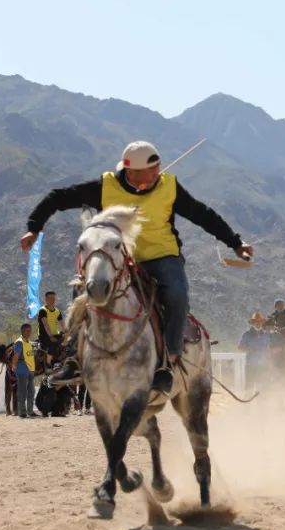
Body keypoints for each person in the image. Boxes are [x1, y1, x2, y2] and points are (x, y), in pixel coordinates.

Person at [21, 140, 254, 393]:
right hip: (121, 257)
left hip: (163, 256)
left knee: (177, 295)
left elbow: (203, 214)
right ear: (131, 172)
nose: (158, 174)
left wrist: (235, 242)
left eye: (158, 168)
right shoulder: (105, 187)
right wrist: (34, 227)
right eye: (151, 171)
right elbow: (58, 198)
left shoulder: (169, 188)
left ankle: (167, 363)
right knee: (83, 288)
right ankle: (74, 359)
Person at [238, 312, 271, 394]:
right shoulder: (246, 334)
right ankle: (248, 406)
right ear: (253, 323)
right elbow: (240, 347)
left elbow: (268, 348)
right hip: (251, 365)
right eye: (256, 322)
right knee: (249, 387)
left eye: (260, 322)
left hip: (263, 365)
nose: (258, 324)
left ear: (262, 323)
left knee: (263, 389)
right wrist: (250, 349)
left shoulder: (266, 335)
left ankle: (262, 406)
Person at [11, 323, 37, 419]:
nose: (29, 332)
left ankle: (30, 411)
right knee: (22, 392)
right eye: (27, 331)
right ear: (22, 331)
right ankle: (22, 412)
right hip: (22, 369)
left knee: (31, 391)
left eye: (30, 330)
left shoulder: (29, 342)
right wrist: (14, 365)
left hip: (30, 370)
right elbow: (16, 355)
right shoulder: (19, 342)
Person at [37, 291, 64, 368]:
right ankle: (49, 364)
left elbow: (63, 324)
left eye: (53, 298)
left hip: (56, 333)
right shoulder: (43, 310)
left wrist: (67, 332)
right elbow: (45, 324)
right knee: (54, 344)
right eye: (50, 298)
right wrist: (51, 336)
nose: (52, 300)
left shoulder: (57, 311)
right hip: (44, 335)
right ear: (46, 299)